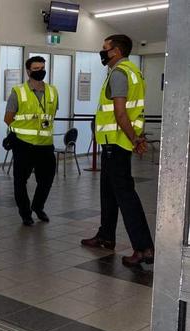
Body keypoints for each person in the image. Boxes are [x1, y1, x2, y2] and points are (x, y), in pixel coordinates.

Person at [81, 34, 154, 267]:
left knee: (125, 196)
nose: (102, 52)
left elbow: (121, 113)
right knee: (108, 191)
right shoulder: (134, 71)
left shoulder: (120, 73)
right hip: (115, 142)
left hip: (117, 143)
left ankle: (143, 248)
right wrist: (137, 137)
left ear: (116, 52)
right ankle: (106, 236)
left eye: (105, 49)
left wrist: (133, 138)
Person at [4, 56, 59, 226]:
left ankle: (38, 206)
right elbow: (8, 118)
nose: (40, 71)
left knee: (47, 178)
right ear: (28, 71)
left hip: (45, 144)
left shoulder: (52, 91)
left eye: (42, 67)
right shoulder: (18, 92)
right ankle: (25, 213)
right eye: (36, 69)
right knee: (20, 181)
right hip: (24, 144)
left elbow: (52, 115)